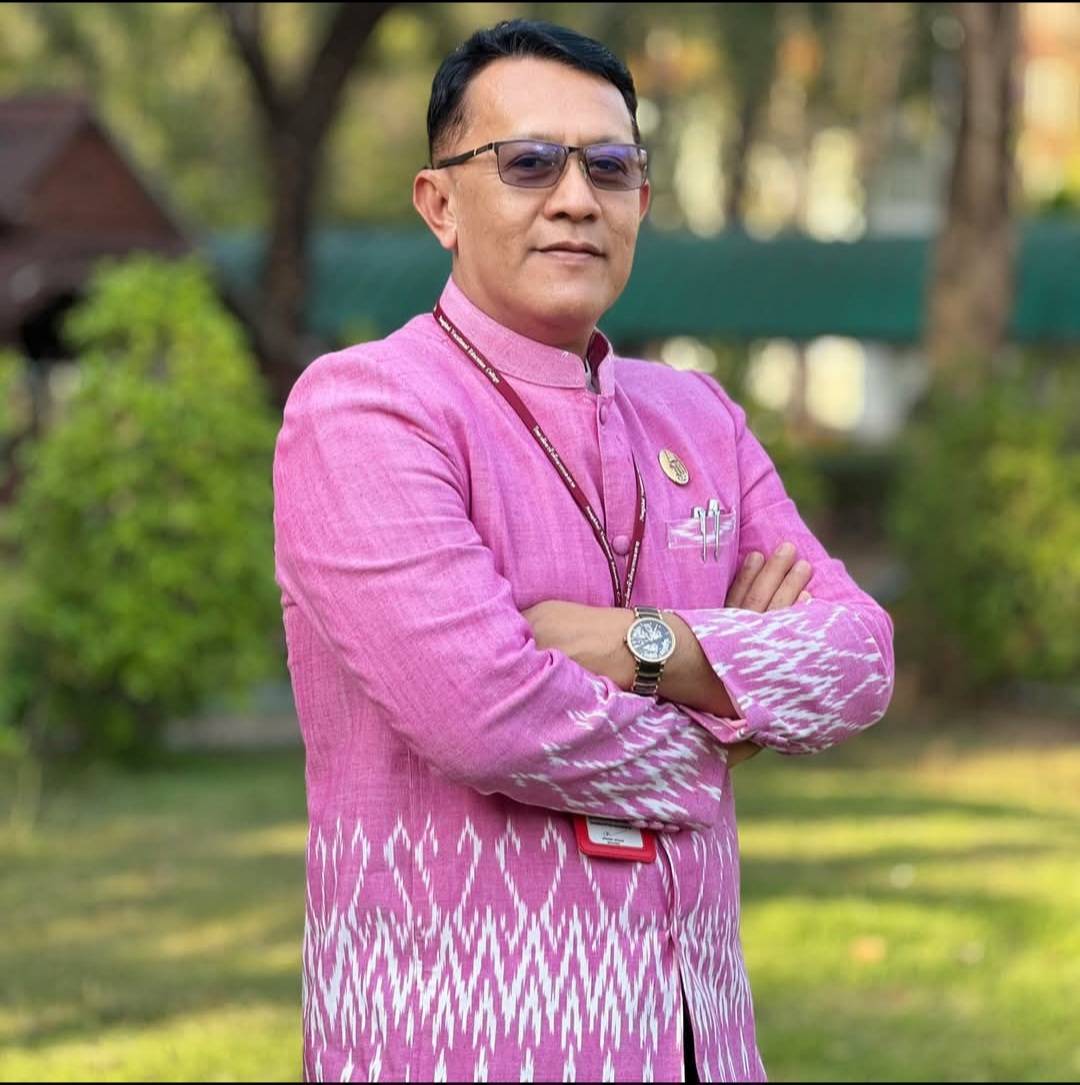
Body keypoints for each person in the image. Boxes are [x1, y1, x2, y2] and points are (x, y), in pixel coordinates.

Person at [272, 18, 894, 1083]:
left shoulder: (697, 416)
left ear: (641, 199)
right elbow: (485, 716)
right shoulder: (367, 410)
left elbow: (861, 659)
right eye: (528, 163)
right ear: (439, 203)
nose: (575, 198)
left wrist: (635, 647)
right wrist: (725, 724)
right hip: (459, 1043)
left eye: (609, 167)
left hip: (702, 1039)